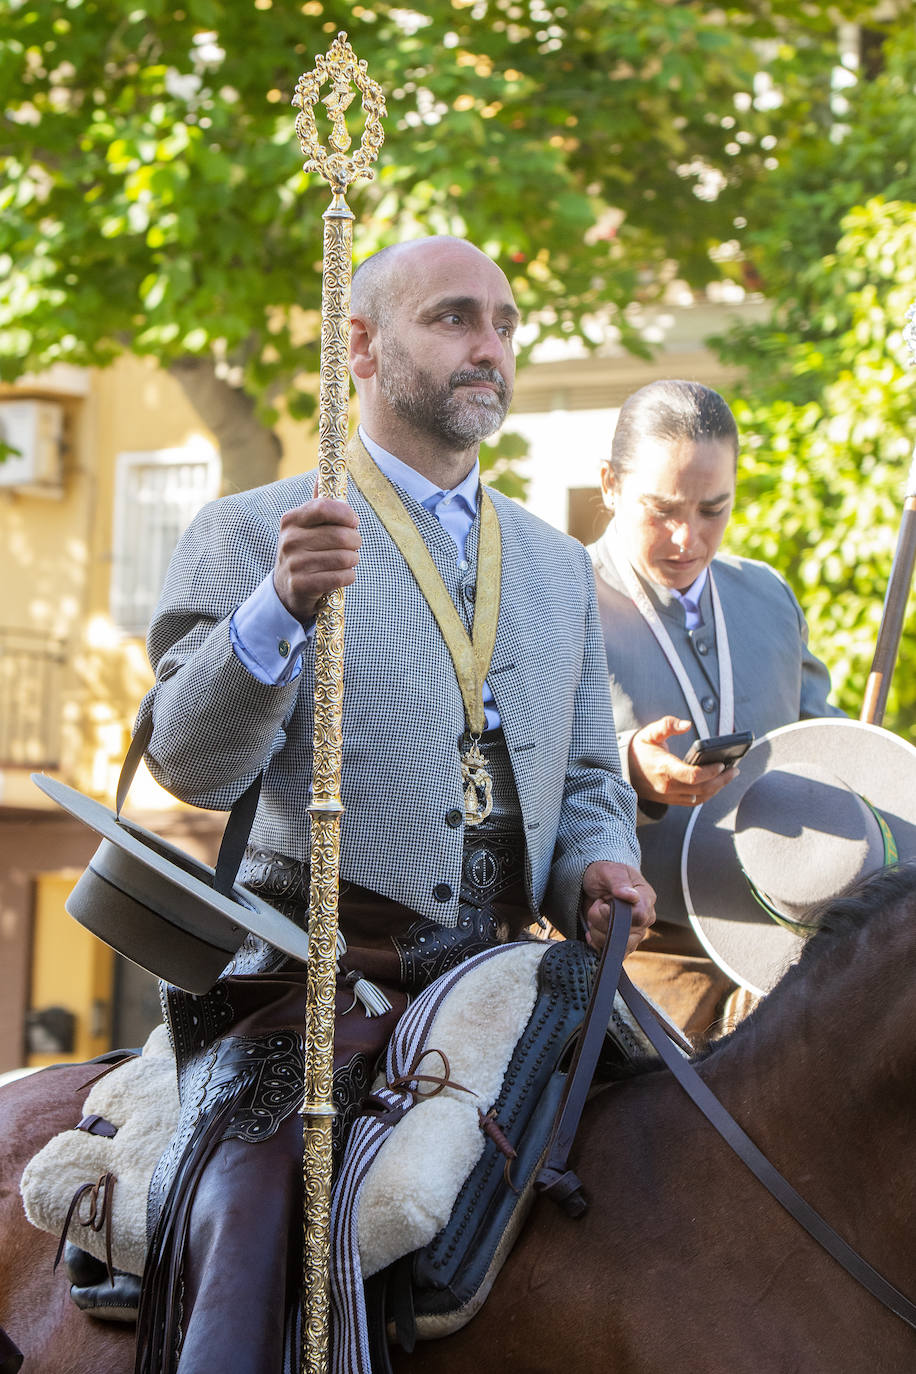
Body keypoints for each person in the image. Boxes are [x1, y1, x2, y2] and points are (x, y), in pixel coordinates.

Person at [129, 235, 655, 1373]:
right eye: (456, 317)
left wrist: (597, 867)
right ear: (359, 345)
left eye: (507, 323)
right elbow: (187, 765)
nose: (491, 347)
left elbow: (582, 785)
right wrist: (278, 605)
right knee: (261, 1208)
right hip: (309, 977)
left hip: (510, 972)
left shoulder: (562, 566)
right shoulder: (251, 526)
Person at [588, 379, 843, 1038]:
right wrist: (633, 775)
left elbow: (824, 744)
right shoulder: (556, 597)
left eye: (713, 508)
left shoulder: (767, 597)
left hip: (789, 950)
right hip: (633, 957)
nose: (687, 538)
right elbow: (510, 777)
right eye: (662, 508)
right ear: (610, 484)